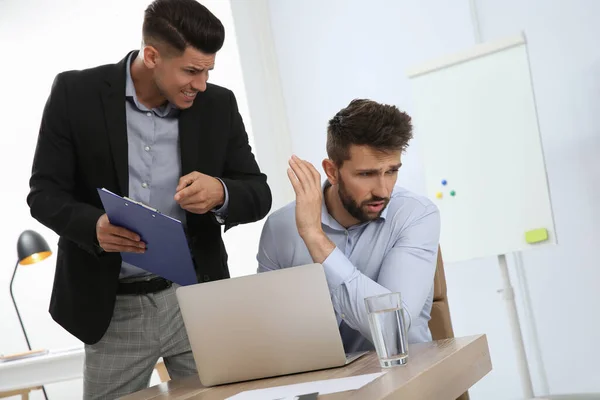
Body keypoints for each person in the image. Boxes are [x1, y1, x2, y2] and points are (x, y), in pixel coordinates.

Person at [27, 0, 271, 398]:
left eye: (209, 70)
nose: (202, 84)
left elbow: (258, 192)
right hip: (112, 308)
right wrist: (93, 228)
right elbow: (43, 194)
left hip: (194, 299)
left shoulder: (218, 105)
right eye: (191, 71)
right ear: (152, 55)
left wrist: (221, 192)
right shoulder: (75, 94)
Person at [257, 99, 440, 353]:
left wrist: (315, 237)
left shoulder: (416, 215)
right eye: (366, 174)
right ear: (332, 172)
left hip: (407, 376)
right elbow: (269, 333)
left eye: (391, 171)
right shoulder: (280, 227)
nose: (383, 190)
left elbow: (392, 329)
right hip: (320, 383)